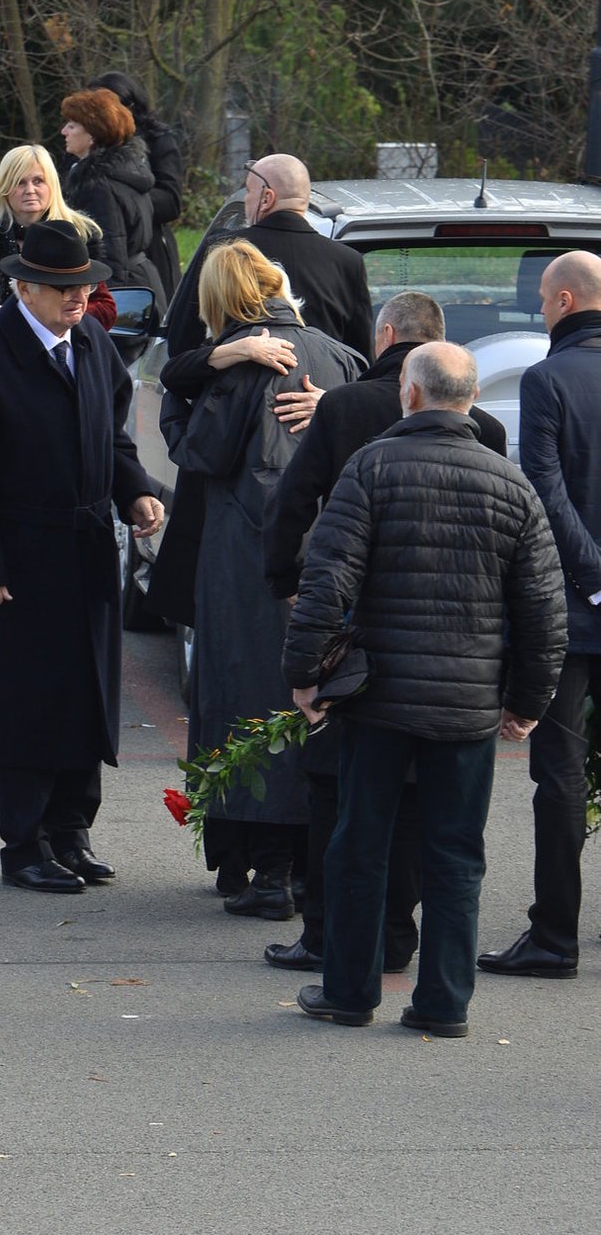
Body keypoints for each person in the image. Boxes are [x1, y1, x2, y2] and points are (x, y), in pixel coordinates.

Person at [284, 343, 565, 1036]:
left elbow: (327, 579)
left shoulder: (372, 467)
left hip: (380, 697)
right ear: (468, 399)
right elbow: (542, 606)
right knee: (455, 853)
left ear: (408, 394)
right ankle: (443, 1004)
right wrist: (528, 701)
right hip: (468, 704)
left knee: (360, 844)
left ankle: (348, 993)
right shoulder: (510, 483)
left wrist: (304, 674)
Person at [260, 292, 507, 974]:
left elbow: (296, 504)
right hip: (460, 641)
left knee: (338, 790)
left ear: (388, 338)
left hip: (360, 632)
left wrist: (283, 580)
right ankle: (400, 936)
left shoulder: (342, 410)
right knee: (421, 807)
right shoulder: (487, 431)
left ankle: (327, 938)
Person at [0, 219, 164, 893]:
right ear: (24, 288)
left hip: (85, 546)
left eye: (85, 286)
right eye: (64, 288)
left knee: (84, 694)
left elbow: (113, 434)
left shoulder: (92, 341)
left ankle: (72, 830)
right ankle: (25, 843)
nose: (79, 298)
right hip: (19, 553)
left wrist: (135, 493)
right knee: (24, 703)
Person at [156, 238, 362, 913]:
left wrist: (187, 390)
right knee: (318, 705)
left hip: (248, 560)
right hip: (335, 559)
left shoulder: (244, 367)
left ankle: (265, 870)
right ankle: (310, 868)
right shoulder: (335, 357)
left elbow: (197, 449)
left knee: (251, 703)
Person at [478, 250, 601, 980]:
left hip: (573, 611)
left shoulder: (548, 378)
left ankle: (554, 936)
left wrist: (592, 574)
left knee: (558, 776)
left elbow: (545, 493)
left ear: (560, 301)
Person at [166, 152, 373, 361]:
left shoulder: (223, 252)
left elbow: (181, 344)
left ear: (267, 198)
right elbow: (360, 357)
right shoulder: (348, 261)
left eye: (249, 191)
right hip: (321, 389)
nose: (247, 198)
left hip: (237, 390)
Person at [0, 144, 116, 365]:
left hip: (59, 360)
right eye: (20, 182)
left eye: (38, 181)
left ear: (51, 185)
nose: (30, 189)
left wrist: (57, 318)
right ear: (4, 188)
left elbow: (105, 308)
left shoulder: (76, 236)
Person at [60, 88, 164, 302]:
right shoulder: (123, 170)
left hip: (126, 294)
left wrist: (104, 309)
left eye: (71, 126)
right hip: (141, 284)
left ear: (92, 135)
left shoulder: (97, 184)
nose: (64, 131)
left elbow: (110, 255)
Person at [88, 71, 183, 300]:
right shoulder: (87, 142)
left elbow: (171, 201)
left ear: (129, 105)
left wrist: (120, 198)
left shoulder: (158, 139)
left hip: (146, 246)